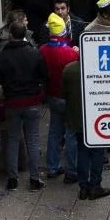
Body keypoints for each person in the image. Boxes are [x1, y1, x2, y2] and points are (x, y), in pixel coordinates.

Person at [59, 51, 110, 199]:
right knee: (97, 152)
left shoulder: (69, 70)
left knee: (82, 150)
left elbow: (63, 94)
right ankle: (95, 185)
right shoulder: (99, 70)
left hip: (77, 117)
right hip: (97, 116)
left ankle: (83, 186)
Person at [38, 13, 80, 183]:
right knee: (71, 133)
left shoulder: (42, 51)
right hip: (69, 98)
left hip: (52, 96)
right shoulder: (71, 53)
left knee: (54, 131)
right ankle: (72, 169)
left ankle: (52, 166)